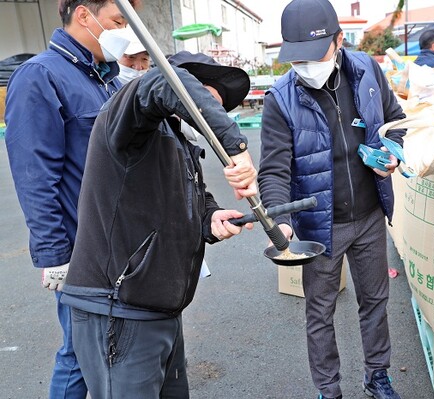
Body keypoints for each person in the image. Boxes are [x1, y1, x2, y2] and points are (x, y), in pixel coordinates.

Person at [59, 51, 256, 398]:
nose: (211, 114)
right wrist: (237, 146)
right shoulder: (127, 121)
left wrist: (210, 219)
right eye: (204, 99)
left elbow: (188, 197)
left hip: (160, 309)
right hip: (118, 309)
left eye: (218, 107)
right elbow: (159, 81)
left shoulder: (178, 142)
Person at [257, 0, 407, 398]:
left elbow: (395, 122)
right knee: (320, 311)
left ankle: (378, 376)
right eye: (296, 57)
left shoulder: (368, 72)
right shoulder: (280, 99)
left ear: (339, 40)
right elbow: (273, 170)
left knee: (375, 300)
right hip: (319, 225)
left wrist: (390, 154)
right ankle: (329, 390)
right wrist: (280, 223)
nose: (305, 65)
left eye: (314, 54)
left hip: (370, 213)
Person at [4, 1, 141, 397]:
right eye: (118, 21)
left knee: (103, 350)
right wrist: (53, 256)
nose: (125, 33)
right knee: (81, 354)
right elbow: (34, 175)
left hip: (119, 246)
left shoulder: (106, 81)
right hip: (83, 254)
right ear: (84, 15)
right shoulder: (41, 76)